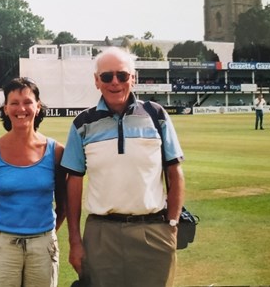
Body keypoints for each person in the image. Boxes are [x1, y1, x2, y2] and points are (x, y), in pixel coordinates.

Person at [61, 47, 185, 287]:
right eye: (107, 76)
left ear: (133, 78)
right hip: (101, 235)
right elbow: (73, 183)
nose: (115, 82)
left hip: (153, 230)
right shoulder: (82, 124)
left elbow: (175, 171)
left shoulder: (156, 115)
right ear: (97, 81)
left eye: (122, 75)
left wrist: (172, 225)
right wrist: (75, 241)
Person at [0, 77, 66, 287]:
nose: (21, 108)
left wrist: (44, 235)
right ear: (5, 108)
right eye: (14, 103)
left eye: (27, 102)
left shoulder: (56, 151)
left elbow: (64, 205)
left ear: (38, 106)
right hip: (2, 245)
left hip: (43, 246)